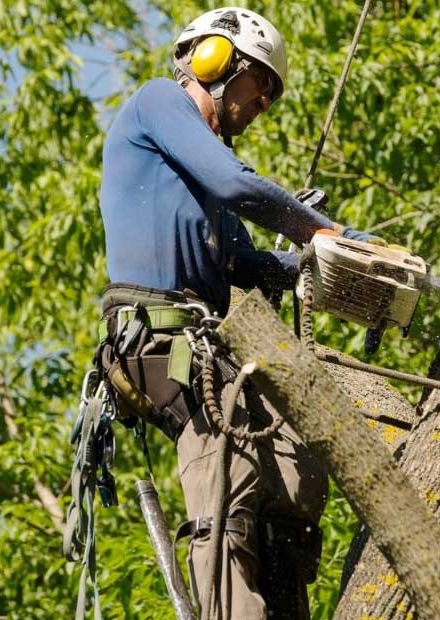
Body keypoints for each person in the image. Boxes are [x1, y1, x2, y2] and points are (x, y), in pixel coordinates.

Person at [97, 6, 380, 620]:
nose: (261, 107)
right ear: (217, 61)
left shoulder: (207, 194)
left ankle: (282, 598)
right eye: (261, 87)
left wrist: (319, 260)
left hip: (206, 343)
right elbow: (236, 184)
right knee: (229, 471)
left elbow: (249, 266)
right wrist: (323, 230)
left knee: (295, 461)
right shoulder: (158, 104)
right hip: (161, 337)